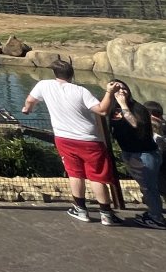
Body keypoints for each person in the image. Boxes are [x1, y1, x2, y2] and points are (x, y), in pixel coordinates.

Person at [22, 59, 120, 225]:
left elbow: (30, 100)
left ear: (54, 73)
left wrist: (27, 109)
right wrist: (109, 93)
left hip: (64, 138)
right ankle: (106, 213)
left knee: (75, 174)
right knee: (97, 177)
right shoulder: (81, 91)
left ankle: (81, 209)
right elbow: (102, 110)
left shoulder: (44, 85)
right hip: (89, 140)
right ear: (72, 74)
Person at [111, 81, 165, 229]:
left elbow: (134, 124)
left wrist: (123, 105)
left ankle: (157, 219)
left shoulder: (138, 108)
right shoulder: (113, 110)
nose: (121, 91)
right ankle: (153, 213)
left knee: (149, 187)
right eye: (116, 89)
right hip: (129, 152)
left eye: (123, 88)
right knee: (144, 186)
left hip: (144, 154)